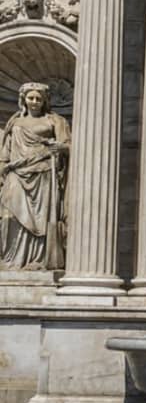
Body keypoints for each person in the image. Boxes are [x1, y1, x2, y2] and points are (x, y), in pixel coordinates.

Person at [0, 83, 70, 270]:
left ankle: (37, 259)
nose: (34, 102)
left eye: (39, 98)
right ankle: (11, 260)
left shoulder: (55, 121)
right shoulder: (14, 122)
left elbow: (67, 145)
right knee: (10, 216)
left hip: (43, 172)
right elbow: (6, 152)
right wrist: (2, 169)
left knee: (41, 219)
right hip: (16, 173)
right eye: (31, 98)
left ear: (45, 101)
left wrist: (59, 147)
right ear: (23, 100)